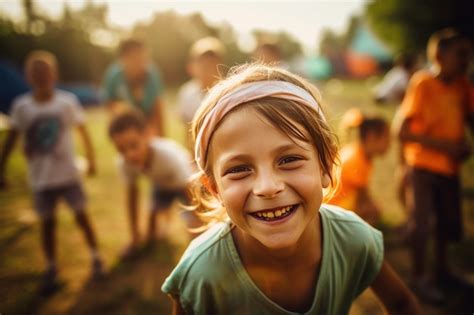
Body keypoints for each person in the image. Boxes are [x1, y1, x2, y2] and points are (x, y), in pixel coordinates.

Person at [161, 64, 421, 314]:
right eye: (239, 169)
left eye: (288, 160)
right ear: (215, 188)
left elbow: (401, 304)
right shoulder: (201, 273)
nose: (267, 188)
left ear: (326, 166)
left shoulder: (354, 240)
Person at [0, 50, 103, 294]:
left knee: (82, 217)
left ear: (54, 74)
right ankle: (51, 267)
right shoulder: (21, 107)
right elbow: (12, 138)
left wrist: (90, 159)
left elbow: (83, 130)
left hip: (68, 174)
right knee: (48, 224)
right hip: (41, 179)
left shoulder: (66, 102)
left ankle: (96, 257)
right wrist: (1, 168)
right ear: (28, 77)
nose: (42, 77)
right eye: (36, 73)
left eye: (46, 72)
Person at [394, 28, 474, 304]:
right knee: (422, 223)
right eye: (460, 54)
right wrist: (445, 147)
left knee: (446, 224)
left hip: (450, 168)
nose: (466, 60)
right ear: (439, 56)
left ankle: (441, 271)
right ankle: (418, 278)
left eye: (468, 54)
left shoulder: (463, 85)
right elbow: (402, 131)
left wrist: (463, 147)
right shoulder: (423, 83)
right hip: (423, 166)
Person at [108, 111, 197, 257]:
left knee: (195, 228)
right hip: (161, 184)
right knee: (152, 231)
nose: (129, 154)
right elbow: (132, 197)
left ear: (148, 136)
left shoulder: (168, 156)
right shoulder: (124, 163)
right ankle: (150, 237)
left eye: (133, 145)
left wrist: (197, 219)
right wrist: (135, 234)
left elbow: (189, 189)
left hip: (187, 183)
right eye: (121, 149)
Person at [327, 108, 390, 226]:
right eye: (386, 137)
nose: (389, 144)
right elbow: (364, 198)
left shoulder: (357, 153)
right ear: (371, 137)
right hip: (332, 209)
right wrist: (376, 211)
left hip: (332, 205)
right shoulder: (357, 161)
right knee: (371, 211)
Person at [102, 38, 165, 136]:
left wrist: (160, 136)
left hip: (148, 120)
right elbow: (108, 103)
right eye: (136, 57)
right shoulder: (114, 75)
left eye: (145, 57)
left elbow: (157, 107)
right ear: (123, 59)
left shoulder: (152, 74)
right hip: (125, 121)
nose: (142, 62)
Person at [178, 37, 225, 150]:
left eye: (211, 63)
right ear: (192, 66)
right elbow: (187, 131)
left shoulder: (227, 92)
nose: (207, 67)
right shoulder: (186, 93)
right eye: (202, 63)